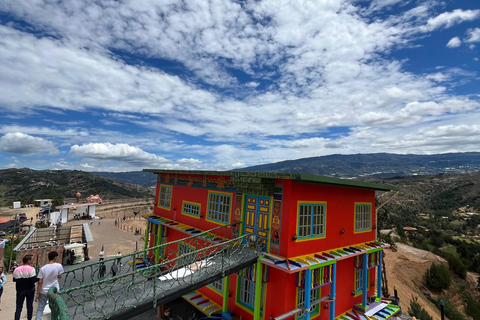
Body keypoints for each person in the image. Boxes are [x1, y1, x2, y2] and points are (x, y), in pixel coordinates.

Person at [35, 251, 64, 320]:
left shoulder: (43, 268)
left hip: (43, 290)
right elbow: (59, 276)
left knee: (40, 308)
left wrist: (37, 293)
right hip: (54, 290)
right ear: (55, 258)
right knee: (55, 307)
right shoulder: (59, 266)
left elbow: (40, 281)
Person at [13, 255, 39, 320]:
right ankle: (29, 318)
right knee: (29, 306)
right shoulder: (31, 269)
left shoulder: (16, 269)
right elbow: (33, 280)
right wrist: (39, 278)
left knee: (19, 307)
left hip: (20, 289)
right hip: (30, 289)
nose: (32, 261)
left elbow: (14, 279)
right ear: (28, 261)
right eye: (31, 260)